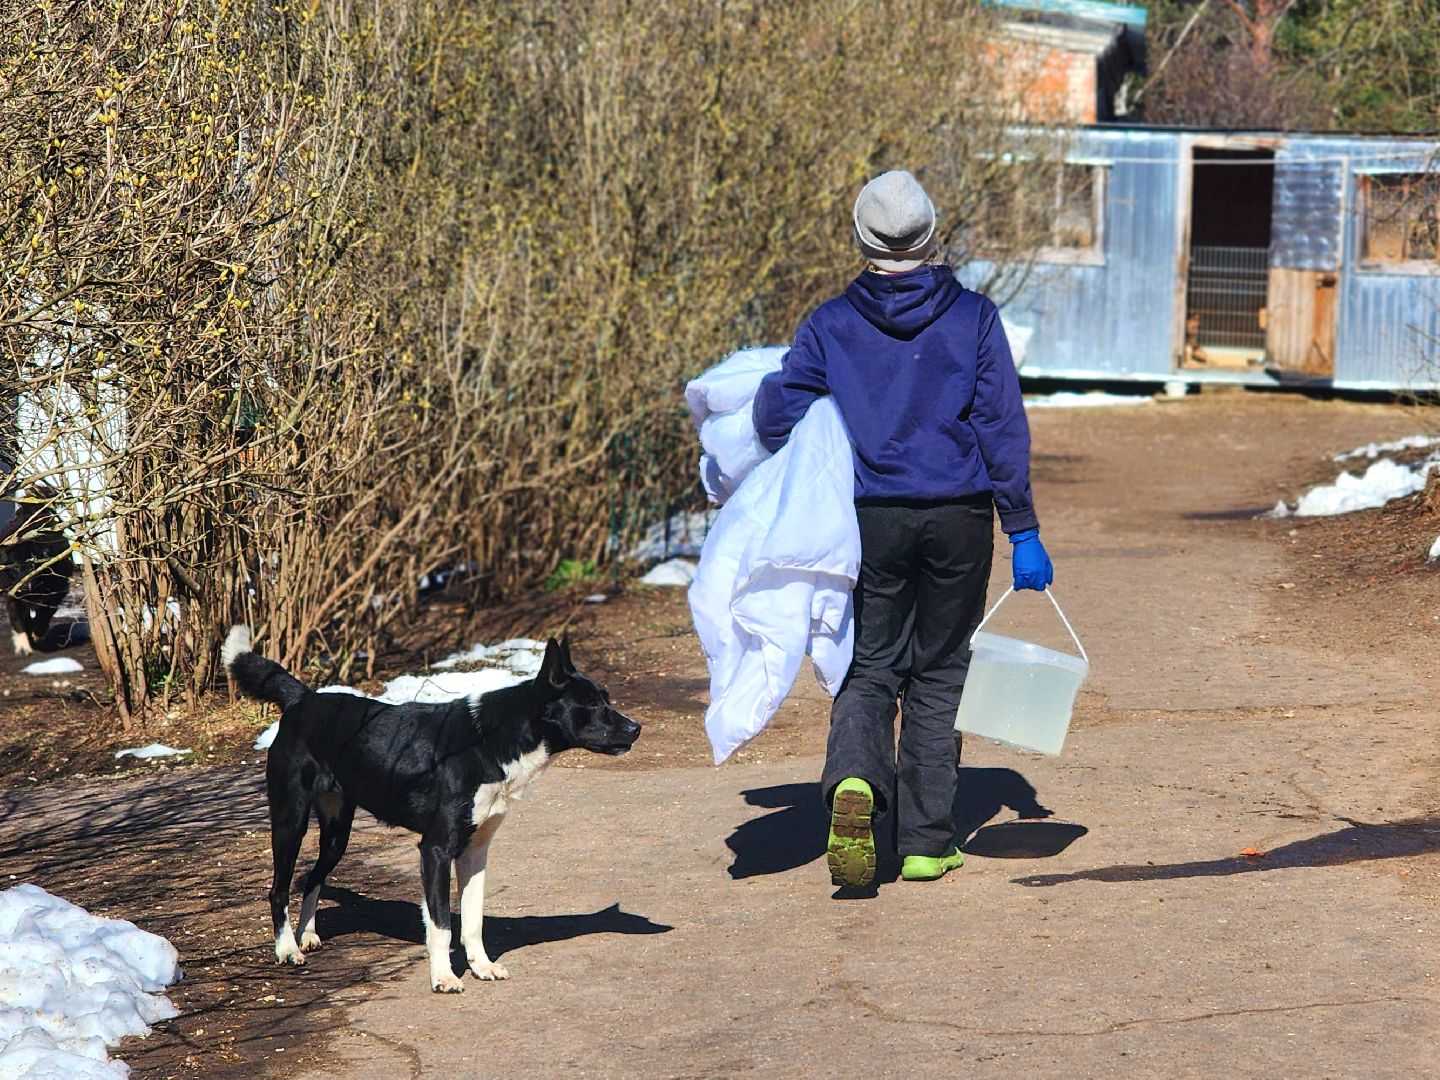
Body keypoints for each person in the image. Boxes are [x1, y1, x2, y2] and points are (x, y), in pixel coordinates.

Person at [752, 169, 1052, 888]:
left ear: (861, 237)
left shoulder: (830, 324)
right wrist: (1024, 529)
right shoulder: (975, 317)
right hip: (957, 516)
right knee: (941, 671)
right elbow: (1000, 427)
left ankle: (856, 783)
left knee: (871, 665)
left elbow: (772, 421)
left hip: (869, 521)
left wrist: (778, 385)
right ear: (932, 233)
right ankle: (925, 840)